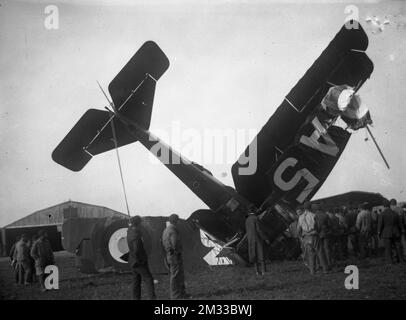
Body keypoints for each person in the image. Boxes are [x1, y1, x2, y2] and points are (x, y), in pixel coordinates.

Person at [126, 216, 156, 300]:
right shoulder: (136, 233)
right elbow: (137, 249)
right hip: (138, 261)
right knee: (148, 279)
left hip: (132, 260)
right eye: (140, 223)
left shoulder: (129, 232)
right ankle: (152, 298)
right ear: (138, 223)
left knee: (136, 281)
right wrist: (139, 261)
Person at [162, 214, 189, 299]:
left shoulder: (166, 230)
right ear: (177, 221)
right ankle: (175, 295)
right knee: (176, 275)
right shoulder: (173, 230)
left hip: (169, 254)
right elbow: (175, 243)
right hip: (174, 255)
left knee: (177, 275)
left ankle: (181, 293)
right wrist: (178, 252)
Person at [297, 201, 328, 275]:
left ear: (304, 208)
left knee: (310, 255)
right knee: (320, 253)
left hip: (306, 237)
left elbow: (298, 229)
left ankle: (312, 271)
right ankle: (325, 270)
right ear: (310, 207)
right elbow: (318, 226)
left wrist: (301, 237)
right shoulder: (313, 215)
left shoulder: (300, 217)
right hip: (314, 236)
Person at [378, 200, 404, 264]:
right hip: (396, 232)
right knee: (398, 247)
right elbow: (400, 224)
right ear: (389, 205)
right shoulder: (395, 213)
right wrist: (402, 230)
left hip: (386, 233)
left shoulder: (382, 214)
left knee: (388, 248)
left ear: (384, 206)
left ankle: (390, 262)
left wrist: (379, 232)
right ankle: (401, 260)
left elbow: (380, 224)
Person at [245, 209, 269, 275]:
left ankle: (257, 272)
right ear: (254, 212)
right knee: (261, 254)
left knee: (254, 255)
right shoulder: (256, 218)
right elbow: (259, 230)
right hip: (257, 238)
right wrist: (265, 238)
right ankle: (264, 271)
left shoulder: (247, 220)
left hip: (250, 239)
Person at [314, 203, 332, 270]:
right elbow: (330, 225)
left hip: (318, 234)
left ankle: (322, 264)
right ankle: (329, 263)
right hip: (326, 233)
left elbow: (315, 226)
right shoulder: (325, 215)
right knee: (327, 249)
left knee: (319, 250)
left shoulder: (314, 216)